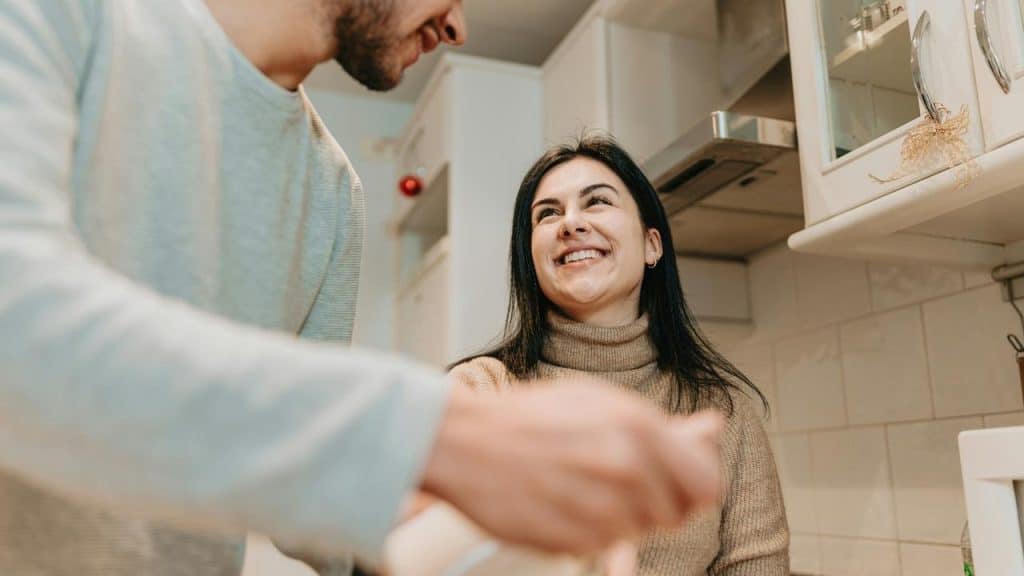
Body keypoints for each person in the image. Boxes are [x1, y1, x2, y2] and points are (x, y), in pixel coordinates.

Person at [0, 1, 724, 575]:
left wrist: (479, 539)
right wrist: (444, 436)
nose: (460, 25)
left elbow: (314, 509)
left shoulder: (332, 190)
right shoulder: (70, 14)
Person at [450, 135, 791, 575]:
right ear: (531, 259)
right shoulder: (477, 392)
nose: (570, 223)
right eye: (548, 213)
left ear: (652, 245)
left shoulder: (724, 413)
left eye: (596, 203)